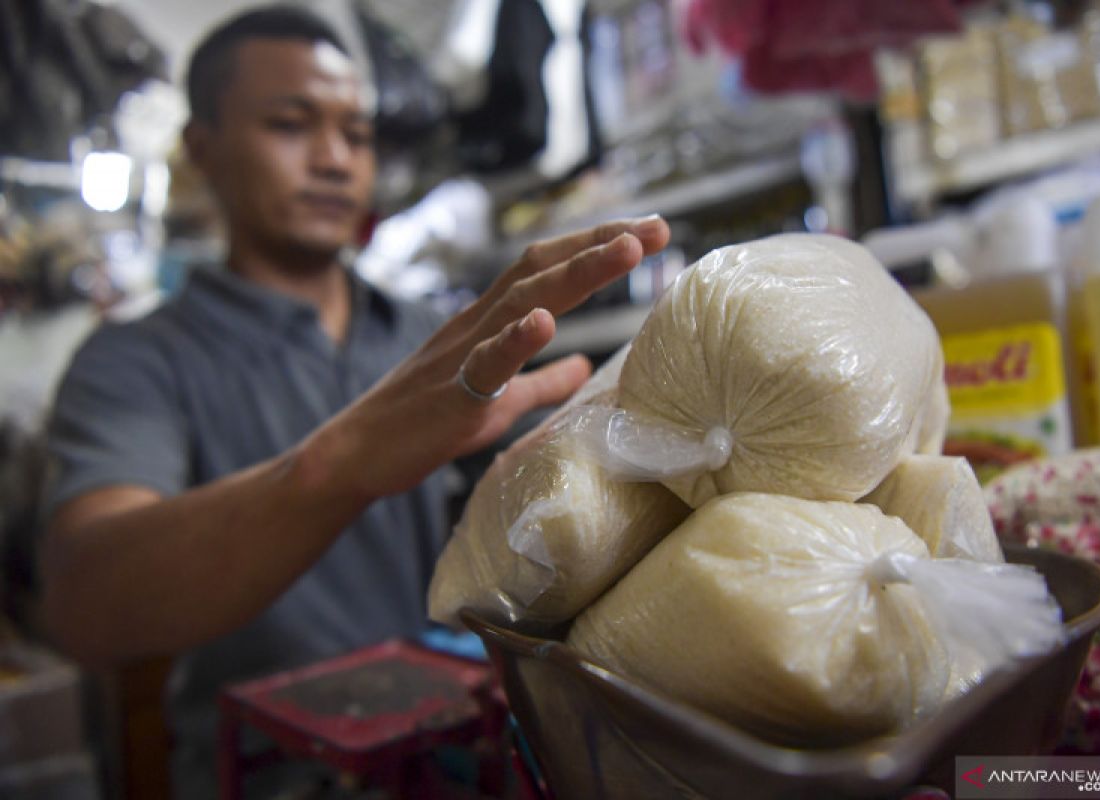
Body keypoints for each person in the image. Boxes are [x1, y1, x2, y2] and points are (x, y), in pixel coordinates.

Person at [36, 4, 669, 796]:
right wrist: (337, 464)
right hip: (265, 776)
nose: (336, 159)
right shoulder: (138, 361)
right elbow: (88, 602)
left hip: (448, 760)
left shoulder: (428, 339)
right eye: (292, 124)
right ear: (203, 148)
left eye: (357, 134)